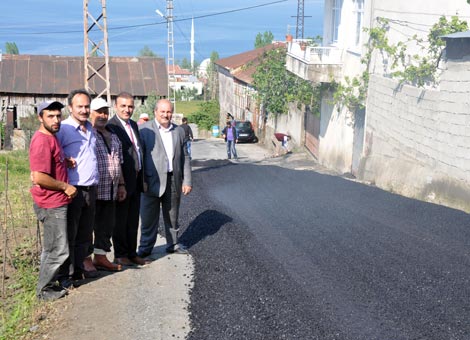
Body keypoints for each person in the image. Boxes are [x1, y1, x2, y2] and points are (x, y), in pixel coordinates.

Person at [30, 100, 77, 300]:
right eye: (50, 116)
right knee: (57, 249)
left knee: (53, 247)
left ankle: (47, 286)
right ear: (40, 118)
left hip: (56, 201)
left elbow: (51, 162)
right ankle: (44, 291)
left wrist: (64, 161)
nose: (56, 120)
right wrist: (65, 186)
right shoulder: (41, 140)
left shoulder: (52, 137)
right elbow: (39, 176)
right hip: (51, 203)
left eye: (58, 115)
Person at [137, 99, 192, 257]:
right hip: (150, 182)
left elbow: (185, 157)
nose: (165, 115)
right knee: (148, 217)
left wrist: (187, 180)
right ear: (155, 112)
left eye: (168, 112)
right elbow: (140, 157)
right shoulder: (145, 130)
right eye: (162, 111)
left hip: (173, 180)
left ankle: (173, 244)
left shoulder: (179, 131)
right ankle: (145, 248)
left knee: (172, 216)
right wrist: (142, 181)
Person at [56, 89, 99, 282]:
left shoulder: (90, 127)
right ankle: (67, 275)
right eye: (79, 106)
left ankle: (80, 269)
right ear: (70, 107)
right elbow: (53, 154)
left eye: (86, 106)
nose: (83, 110)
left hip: (91, 187)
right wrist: (64, 159)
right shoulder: (63, 128)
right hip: (73, 189)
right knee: (70, 234)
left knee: (85, 233)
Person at [107, 92, 148, 266]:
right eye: (123, 106)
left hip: (136, 180)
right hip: (121, 182)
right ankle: (120, 254)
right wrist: (121, 183)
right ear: (116, 106)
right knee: (120, 220)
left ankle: (132, 253)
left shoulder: (133, 124)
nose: (127, 109)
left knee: (132, 220)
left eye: (130, 106)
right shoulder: (111, 126)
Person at [89, 97, 127, 272]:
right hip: (94, 190)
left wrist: (121, 185)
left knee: (106, 225)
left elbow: (118, 162)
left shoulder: (112, 135)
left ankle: (101, 257)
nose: (103, 115)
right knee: (88, 226)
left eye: (105, 111)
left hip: (110, 189)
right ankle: (86, 259)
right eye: (99, 112)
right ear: (90, 113)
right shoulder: (87, 134)